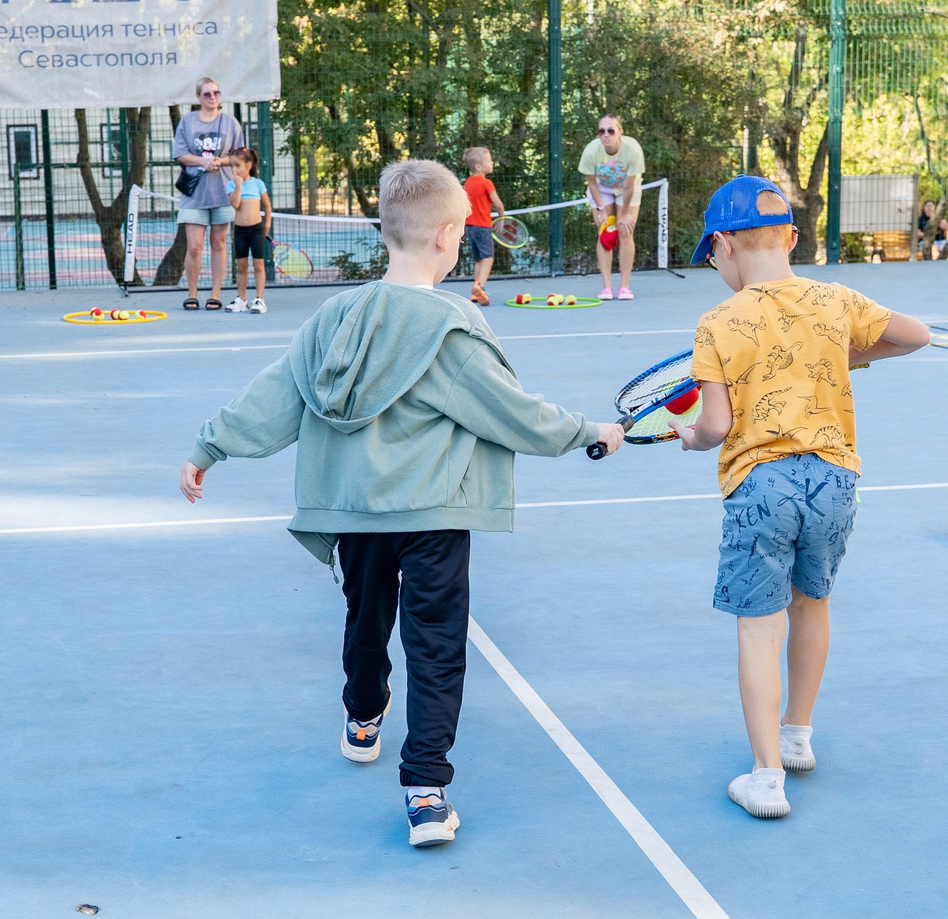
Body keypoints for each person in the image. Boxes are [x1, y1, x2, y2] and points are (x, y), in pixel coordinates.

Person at [178, 158, 623, 848]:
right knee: (437, 644)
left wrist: (209, 447)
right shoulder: (452, 332)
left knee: (366, 616)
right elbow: (512, 413)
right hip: (435, 512)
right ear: (449, 238)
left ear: (388, 233)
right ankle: (425, 788)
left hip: (354, 510)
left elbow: (277, 393)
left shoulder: (335, 317)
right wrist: (589, 430)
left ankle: (362, 714)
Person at [671, 177, 930, 819]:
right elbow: (917, 334)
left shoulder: (718, 322)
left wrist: (692, 441)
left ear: (723, 246)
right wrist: (851, 354)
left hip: (762, 483)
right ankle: (797, 734)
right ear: (790, 238)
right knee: (812, 602)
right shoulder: (834, 299)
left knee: (759, 627)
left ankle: (764, 777)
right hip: (835, 480)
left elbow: (716, 425)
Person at [172, 78, 246, 311]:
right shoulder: (188, 122)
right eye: (207, 94)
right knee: (194, 245)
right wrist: (203, 161)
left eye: (216, 92)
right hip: (194, 195)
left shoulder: (230, 123)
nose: (213, 97)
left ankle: (215, 293)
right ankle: (192, 293)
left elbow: (239, 156)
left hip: (223, 192)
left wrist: (220, 161)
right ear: (198, 98)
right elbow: (181, 154)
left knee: (219, 242)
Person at [578, 115, 646, 301]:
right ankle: (606, 287)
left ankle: (624, 286)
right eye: (602, 131)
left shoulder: (632, 150)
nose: (606, 135)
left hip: (627, 188)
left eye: (611, 130)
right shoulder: (591, 151)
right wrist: (600, 209)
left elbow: (629, 185)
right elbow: (591, 183)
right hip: (601, 189)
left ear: (620, 132)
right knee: (605, 233)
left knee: (625, 231)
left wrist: (623, 214)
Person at [227, 148, 272, 314]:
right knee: (241, 267)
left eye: (237, 165)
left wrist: (266, 225)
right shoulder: (231, 184)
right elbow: (235, 204)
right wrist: (238, 186)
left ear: (248, 165)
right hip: (240, 232)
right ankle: (242, 299)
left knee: (259, 265)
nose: (234, 170)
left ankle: (259, 299)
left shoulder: (258, 184)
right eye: (231, 166)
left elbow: (267, 206)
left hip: (256, 231)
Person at [460, 146, 502, 306]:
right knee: (488, 257)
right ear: (479, 167)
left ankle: (475, 293)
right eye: (489, 161)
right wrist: (502, 217)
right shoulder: (487, 183)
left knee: (478, 259)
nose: (492, 163)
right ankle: (480, 286)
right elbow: (498, 204)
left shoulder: (468, 183)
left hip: (469, 227)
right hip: (483, 226)